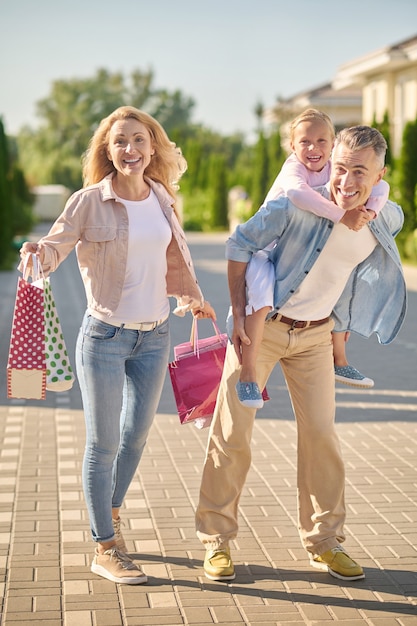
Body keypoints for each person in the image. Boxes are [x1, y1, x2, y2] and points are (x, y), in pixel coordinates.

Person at [195, 126, 407, 583]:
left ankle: (325, 541)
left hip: (315, 337)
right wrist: (239, 315)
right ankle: (216, 538)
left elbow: (368, 264)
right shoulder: (296, 206)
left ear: (380, 175)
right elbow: (239, 243)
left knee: (321, 439)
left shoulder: (386, 218)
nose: (347, 181)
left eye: (360, 173)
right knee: (232, 434)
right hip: (264, 331)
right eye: (342, 168)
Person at [19, 106, 216, 585]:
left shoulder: (163, 197)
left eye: (139, 140)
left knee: (137, 436)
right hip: (104, 337)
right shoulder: (89, 201)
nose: (130, 150)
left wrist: (192, 298)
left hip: (155, 336)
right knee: (103, 444)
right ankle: (105, 546)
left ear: (153, 147)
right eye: (120, 142)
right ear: (108, 151)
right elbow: (56, 247)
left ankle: (108, 511)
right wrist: (36, 255)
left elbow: (174, 257)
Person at [236, 109, 389, 409]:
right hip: (268, 249)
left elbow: (380, 186)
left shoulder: (336, 165)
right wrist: (342, 215)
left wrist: (372, 210)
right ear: (292, 146)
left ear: (332, 144)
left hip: (301, 257)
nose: (313, 148)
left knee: (342, 286)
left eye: (321, 141)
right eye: (304, 141)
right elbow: (297, 194)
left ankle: (340, 359)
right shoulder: (294, 169)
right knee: (261, 297)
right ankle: (248, 372)